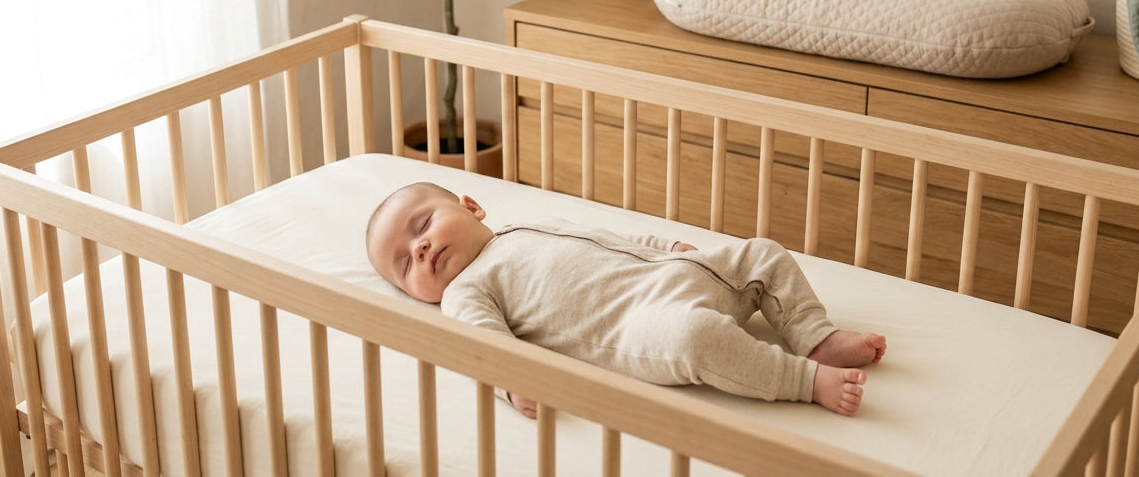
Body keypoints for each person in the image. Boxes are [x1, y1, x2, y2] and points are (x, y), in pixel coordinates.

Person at [364, 181, 886, 418]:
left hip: (672, 273)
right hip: (641, 324)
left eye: (423, 225)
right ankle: (805, 380)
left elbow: (600, 236)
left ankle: (813, 336)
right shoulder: (464, 292)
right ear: (412, 292)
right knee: (697, 339)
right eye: (405, 264)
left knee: (763, 254)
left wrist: (665, 247)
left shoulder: (524, 222)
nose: (422, 248)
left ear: (472, 206)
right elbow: (486, 347)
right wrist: (512, 383)